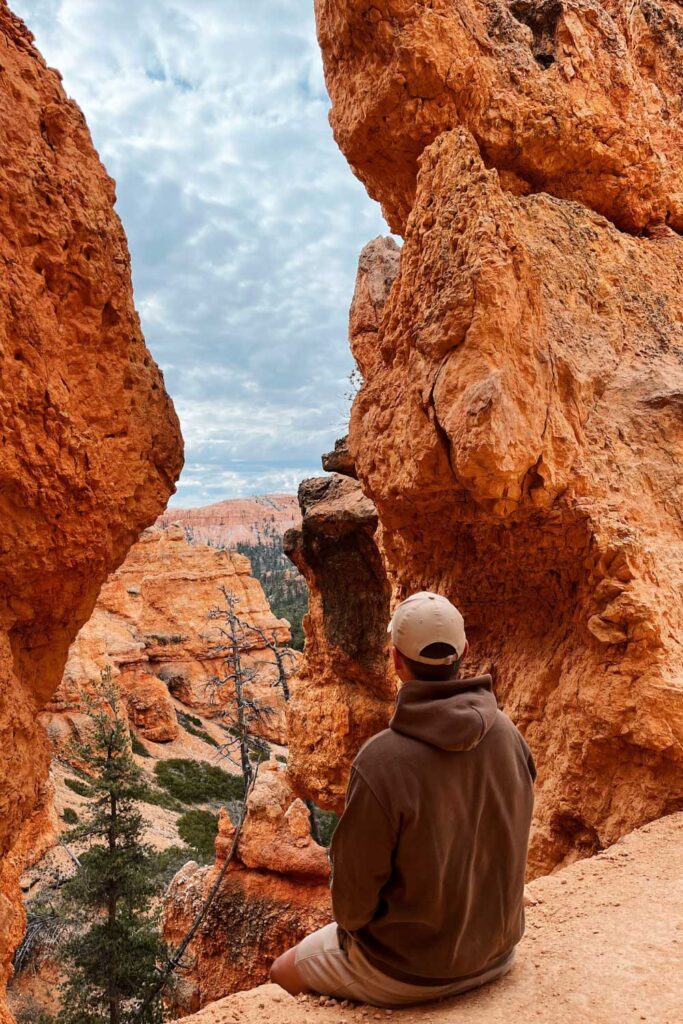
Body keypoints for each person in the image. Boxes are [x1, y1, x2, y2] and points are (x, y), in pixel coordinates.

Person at [270, 591, 536, 1008]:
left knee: (281, 971)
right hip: (498, 951)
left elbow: (352, 910)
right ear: (464, 650)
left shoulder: (380, 761)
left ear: (395, 660)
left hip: (411, 971)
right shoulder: (507, 732)